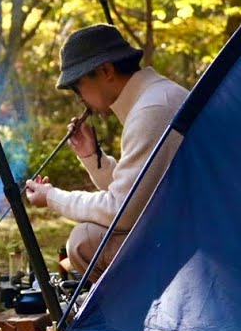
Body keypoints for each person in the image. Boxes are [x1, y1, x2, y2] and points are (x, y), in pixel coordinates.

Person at [23, 24, 188, 281]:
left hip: (196, 241)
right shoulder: (153, 98)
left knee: (85, 240)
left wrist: (52, 197)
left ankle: (139, 308)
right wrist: (91, 156)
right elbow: (138, 193)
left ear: (106, 71)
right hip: (186, 226)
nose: (79, 98)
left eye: (78, 86)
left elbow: (122, 211)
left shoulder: (152, 110)